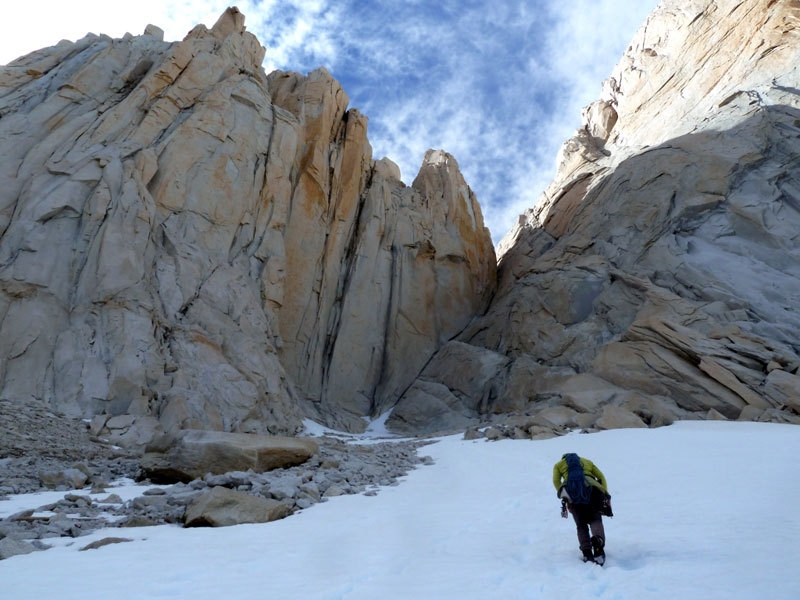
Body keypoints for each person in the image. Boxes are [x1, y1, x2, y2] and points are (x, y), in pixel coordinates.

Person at [552, 453, 612, 564]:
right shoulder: (587, 461)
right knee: (595, 519)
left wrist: (565, 496)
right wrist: (604, 492)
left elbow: (556, 481)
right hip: (593, 490)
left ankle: (587, 552)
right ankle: (598, 542)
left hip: (573, 493)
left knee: (581, 525)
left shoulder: (558, 465)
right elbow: (601, 476)